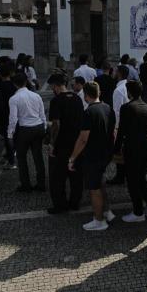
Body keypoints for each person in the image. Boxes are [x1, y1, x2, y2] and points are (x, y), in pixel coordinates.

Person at [69, 82, 116, 231]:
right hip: (105, 153)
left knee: (94, 189)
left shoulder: (88, 112)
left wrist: (72, 158)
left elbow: (83, 139)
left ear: (85, 95)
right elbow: (113, 132)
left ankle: (99, 220)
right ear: (99, 92)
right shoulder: (108, 108)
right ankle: (107, 211)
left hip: (93, 155)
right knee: (100, 183)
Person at [114, 80, 147, 222]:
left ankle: (138, 211)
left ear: (129, 92)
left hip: (132, 148)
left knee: (133, 180)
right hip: (146, 148)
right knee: (140, 178)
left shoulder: (127, 107)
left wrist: (116, 148)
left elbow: (121, 130)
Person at [47, 73, 85, 214]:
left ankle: (60, 205)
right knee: (76, 175)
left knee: (58, 176)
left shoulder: (56, 101)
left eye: (52, 86)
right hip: (76, 142)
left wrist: (52, 143)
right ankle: (75, 203)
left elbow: (56, 124)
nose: (52, 89)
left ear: (55, 86)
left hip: (62, 143)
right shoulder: (77, 98)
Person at [8, 71, 47, 192]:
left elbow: (13, 119)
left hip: (24, 129)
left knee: (21, 157)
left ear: (14, 84)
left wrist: (10, 134)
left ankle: (26, 184)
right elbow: (42, 114)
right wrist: (44, 127)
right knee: (38, 156)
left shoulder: (14, 98)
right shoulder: (36, 96)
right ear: (26, 82)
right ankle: (41, 184)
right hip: (38, 127)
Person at [108, 65, 130, 185]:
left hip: (121, 124)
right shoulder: (127, 86)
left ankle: (120, 176)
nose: (114, 73)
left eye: (116, 71)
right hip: (128, 124)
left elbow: (117, 111)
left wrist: (116, 128)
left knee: (119, 151)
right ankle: (123, 174)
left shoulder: (118, 90)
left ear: (119, 73)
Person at [0, 63, 18, 169]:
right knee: (14, 135)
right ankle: (12, 154)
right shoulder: (14, 85)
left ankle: (11, 161)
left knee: (8, 137)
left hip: (4, 114)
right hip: (15, 113)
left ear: (0, 75)